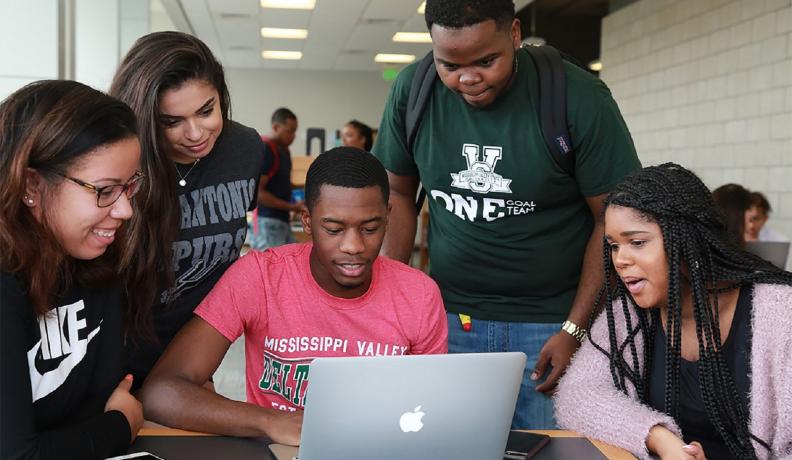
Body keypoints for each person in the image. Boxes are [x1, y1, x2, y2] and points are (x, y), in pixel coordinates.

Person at [371, 0, 641, 429]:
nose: (468, 79)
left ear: (515, 34)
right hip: (449, 317)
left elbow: (615, 221)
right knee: (449, 447)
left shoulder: (576, 96)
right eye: (449, 64)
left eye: (486, 60)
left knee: (552, 449)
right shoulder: (414, 90)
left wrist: (575, 329)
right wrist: (386, 303)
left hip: (554, 322)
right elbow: (398, 194)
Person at [139, 147, 448, 445]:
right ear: (307, 221)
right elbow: (160, 391)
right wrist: (269, 421)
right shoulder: (261, 277)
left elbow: (431, 412)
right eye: (333, 228)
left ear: (387, 217)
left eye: (369, 228)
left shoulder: (419, 295)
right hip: (279, 451)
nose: (353, 246)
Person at [555, 163, 792, 460]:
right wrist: (658, 437)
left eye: (637, 242)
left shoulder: (780, 312)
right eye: (613, 246)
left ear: (686, 238)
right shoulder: (626, 315)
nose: (620, 259)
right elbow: (576, 395)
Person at [109, 31, 269, 387]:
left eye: (206, 111)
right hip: (113, 358)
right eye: (172, 122)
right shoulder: (121, 161)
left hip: (190, 361)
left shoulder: (245, 150)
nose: (196, 133)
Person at [0, 80, 145, 458]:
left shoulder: (92, 260)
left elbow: (103, 399)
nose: (125, 210)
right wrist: (120, 426)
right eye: (105, 190)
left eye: (129, 187)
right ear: (31, 184)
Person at [250, 107, 304, 250]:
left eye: (295, 131)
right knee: (272, 268)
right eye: (290, 131)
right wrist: (293, 207)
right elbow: (258, 194)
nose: (293, 136)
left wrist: (305, 187)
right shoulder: (266, 149)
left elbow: (283, 184)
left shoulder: (284, 151)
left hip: (282, 221)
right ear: (275, 127)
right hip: (267, 222)